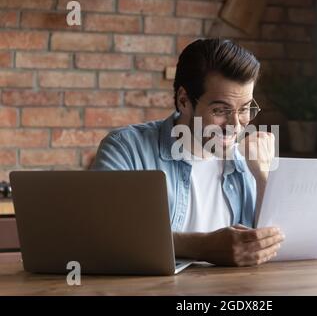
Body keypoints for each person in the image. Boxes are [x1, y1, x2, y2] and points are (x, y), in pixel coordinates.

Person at [91, 38, 285, 266]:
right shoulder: (126, 148)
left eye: (244, 109)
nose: (236, 125)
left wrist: (264, 177)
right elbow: (101, 238)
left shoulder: (249, 158)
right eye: (220, 110)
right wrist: (203, 247)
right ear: (184, 101)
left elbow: (276, 245)